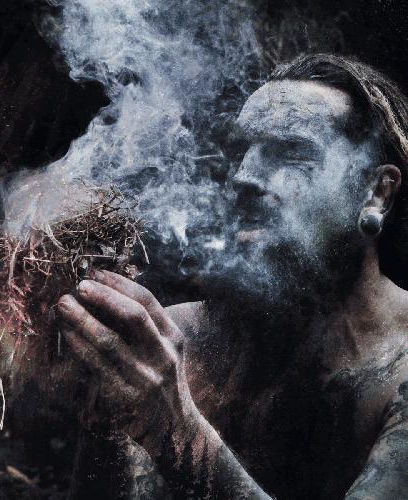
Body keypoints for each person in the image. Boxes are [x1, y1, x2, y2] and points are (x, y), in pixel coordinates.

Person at [57, 54, 408, 499]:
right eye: (241, 151)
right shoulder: (177, 339)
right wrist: (103, 406)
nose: (244, 175)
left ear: (377, 192)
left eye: (291, 152)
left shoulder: (400, 368)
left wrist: (175, 429)